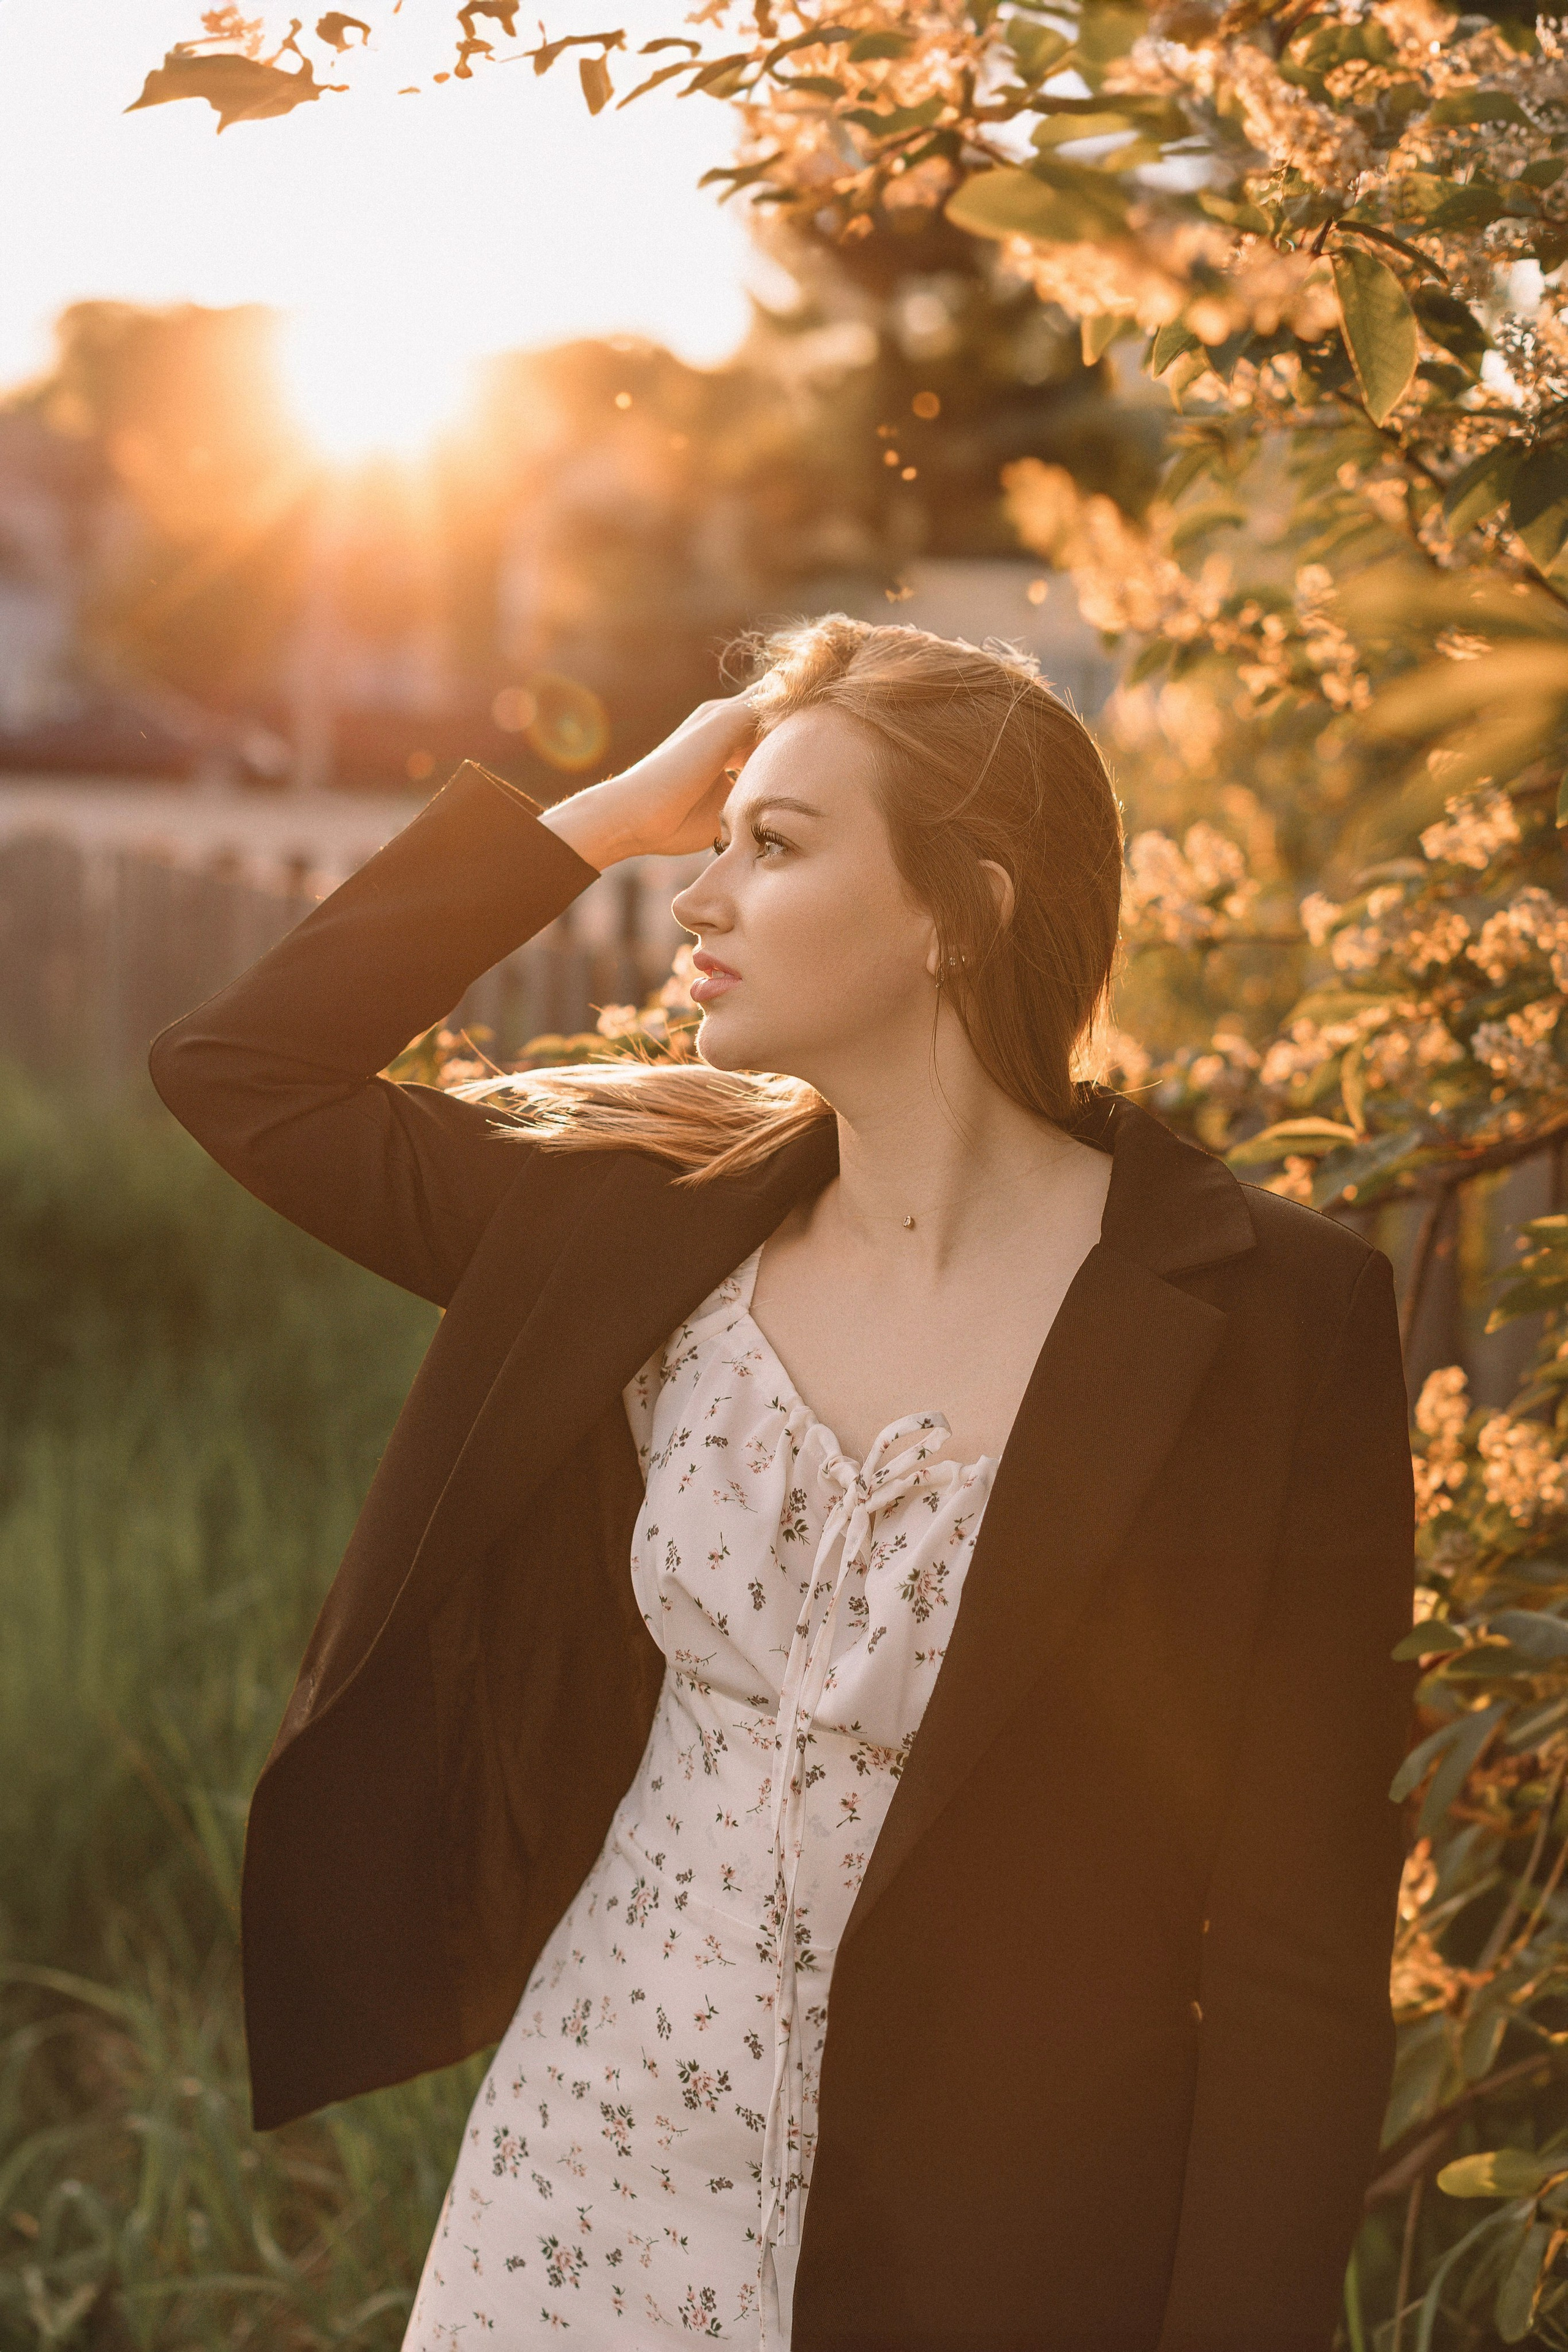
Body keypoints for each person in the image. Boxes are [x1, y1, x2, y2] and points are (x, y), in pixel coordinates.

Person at [148, 617, 1415, 2352]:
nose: (699, 895)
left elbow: (1301, 1955)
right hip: (585, 2174)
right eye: (717, 840)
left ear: (958, 909)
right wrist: (605, 813)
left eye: (776, 843)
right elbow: (243, 1075)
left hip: (997, 2240)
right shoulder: (628, 1220)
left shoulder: (1271, 1321)